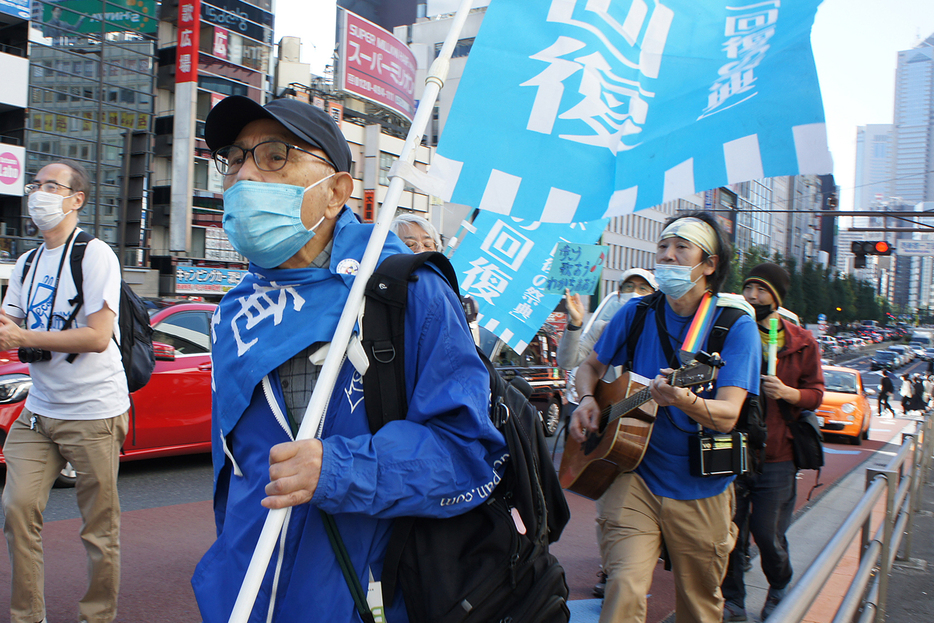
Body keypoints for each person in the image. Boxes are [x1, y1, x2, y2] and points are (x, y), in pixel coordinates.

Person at [192, 95, 507, 623]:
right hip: (242, 594)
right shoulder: (235, 313)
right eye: (236, 158)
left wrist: (339, 469)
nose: (245, 175)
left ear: (337, 191)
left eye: (274, 155)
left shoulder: (404, 291)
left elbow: (468, 452)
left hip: (361, 598)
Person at [571, 213, 761, 623]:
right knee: (622, 587)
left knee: (698, 604)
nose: (667, 256)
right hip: (632, 473)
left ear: (709, 264)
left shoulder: (734, 326)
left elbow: (728, 415)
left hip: (702, 486)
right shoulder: (636, 313)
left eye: (681, 248)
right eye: (662, 246)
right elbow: (590, 366)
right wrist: (587, 398)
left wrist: (684, 400)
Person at [1, 160, 130, 623]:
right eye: (35, 185)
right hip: (40, 409)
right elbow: (11, 323)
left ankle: (96, 616)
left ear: (76, 200)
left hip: (94, 410)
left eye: (51, 186)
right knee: (17, 509)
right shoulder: (28, 262)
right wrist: (9, 331)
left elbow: (97, 336)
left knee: (99, 529)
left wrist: (23, 338)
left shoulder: (95, 255)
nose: (39, 193)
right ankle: (27, 616)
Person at [721, 263, 825, 622]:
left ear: (777, 297)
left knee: (767, 534)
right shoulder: (733, 332)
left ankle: (780, 583)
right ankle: (733, 601)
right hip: (732, 450)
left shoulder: (802, 341)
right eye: (748, 288)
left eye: (761, 290)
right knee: (729, 534)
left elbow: (816, 394)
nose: (752, 296)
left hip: (779, 455)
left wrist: (789, 393)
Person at [555, 267, 657, 597]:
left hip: (654, 433)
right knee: (608, 508)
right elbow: (570, 360)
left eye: (643, 287)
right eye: (629, 286)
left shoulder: (665, 329)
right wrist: (574, 323)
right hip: (609, 433)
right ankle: (612, 567)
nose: (635, 291)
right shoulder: (604, 328)